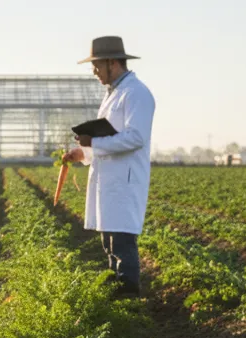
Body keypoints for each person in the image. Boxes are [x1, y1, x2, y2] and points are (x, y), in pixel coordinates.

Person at [63, 36, 156, 297]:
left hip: (123, 182)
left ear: (112, 63)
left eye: (96, 66)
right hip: (109, 180)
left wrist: (94, 140)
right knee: (110, 241)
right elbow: (107, 142)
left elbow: (136, 137)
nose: (94, 71)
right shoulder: (114, 95)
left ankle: (128, 299)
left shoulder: (136, 93)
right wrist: (81, 153)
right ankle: (117, 294)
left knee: (122, 243)